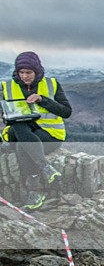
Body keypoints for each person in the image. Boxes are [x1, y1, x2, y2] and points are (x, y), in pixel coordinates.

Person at [2, 51, 71, 210]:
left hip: (49, 136)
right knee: (19, 125)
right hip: (16, 132)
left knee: (22, 146)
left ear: (37, 71)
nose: (25, 76)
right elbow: (4, 116)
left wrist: (42, 100)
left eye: (29, 72)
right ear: (17, 72)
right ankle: (44, 167)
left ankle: (35, 192)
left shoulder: (51, 84)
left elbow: (66, 112)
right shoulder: (7, 87)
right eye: (22, 72)